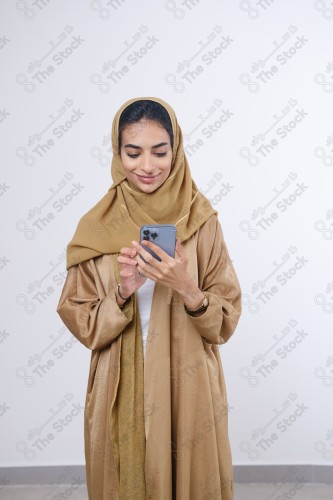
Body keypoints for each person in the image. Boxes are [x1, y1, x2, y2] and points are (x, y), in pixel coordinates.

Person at [56, 96, 242, 500]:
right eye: (133, 152)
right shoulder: (97, 226)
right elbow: (79, 318)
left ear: (176, 151)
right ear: (117, 152)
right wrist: (123, 289)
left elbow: (225, 321)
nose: (147, 166)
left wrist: (186, 287)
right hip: (118, 388)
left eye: (160, 152)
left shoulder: (202, 222)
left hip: (187, 386)